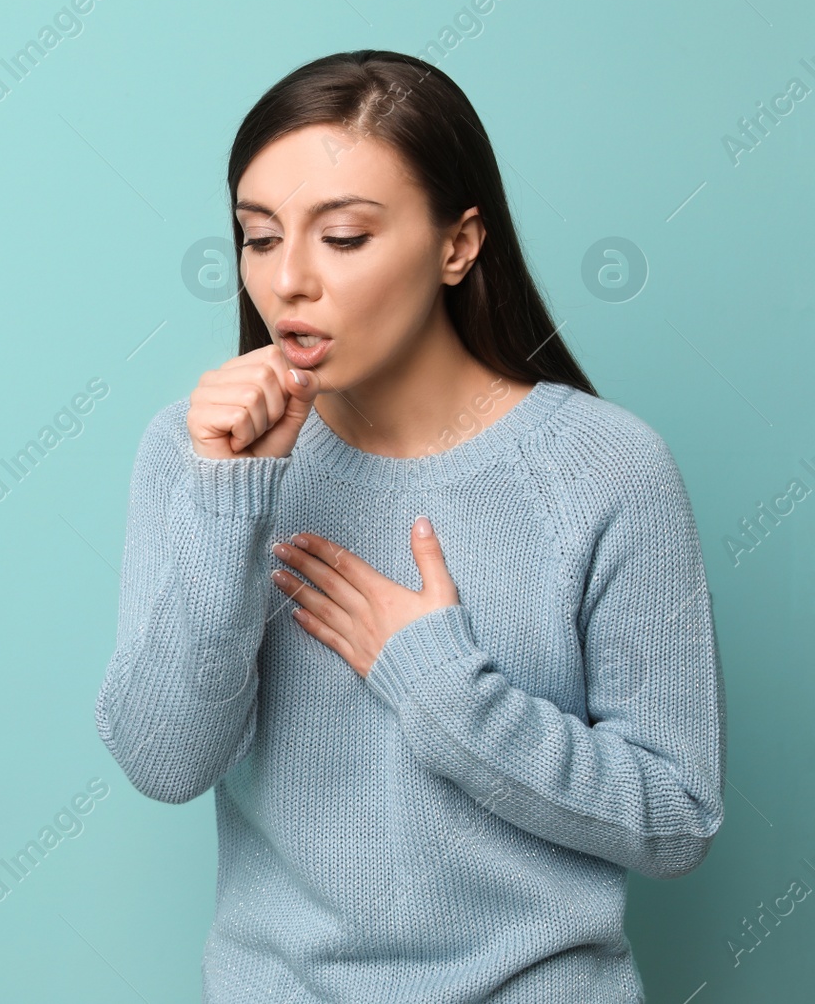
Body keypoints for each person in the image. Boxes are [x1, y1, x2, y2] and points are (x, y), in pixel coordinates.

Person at [93, 50, 724, 1003]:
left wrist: (448, 691)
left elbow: (677, 818)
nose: (289, 281)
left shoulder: (608, 468)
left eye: (342, 236)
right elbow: (164, 760)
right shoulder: (195, 451)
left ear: (458, 244)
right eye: (259, 238)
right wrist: (233, 498)